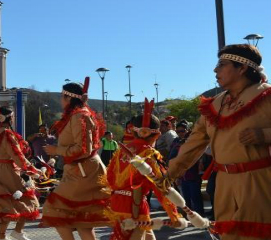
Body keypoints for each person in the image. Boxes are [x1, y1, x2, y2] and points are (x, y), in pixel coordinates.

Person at [168, 44, 271, 239]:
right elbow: (194, 142)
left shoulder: (266, 96)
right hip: (223, 183)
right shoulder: (215, 104)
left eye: (222, 64)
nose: (216, 69)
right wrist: (169, 173)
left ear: (242, 68)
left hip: (258, 181)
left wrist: (265, 135)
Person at [42, 78, 110, 240]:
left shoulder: (79, 116)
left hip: (83, 171)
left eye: (61, 96)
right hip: (81, 169)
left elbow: (82, 149)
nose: (60, 99)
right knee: (82, 220)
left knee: (53, 207)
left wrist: (56, 150)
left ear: (69, 98)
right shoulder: (79, 114)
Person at [107, 99, 181, 240]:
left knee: (148, 235)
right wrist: (174, 215)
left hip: (117, 202)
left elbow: (109, 178)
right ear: (156, 135)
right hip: (135, 205)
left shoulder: (120, 151)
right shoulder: (149, 153)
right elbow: (161, 187)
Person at [0, 106, 40, 240]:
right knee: (28, 200)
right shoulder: (7, 133)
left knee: (6, 204)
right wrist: (31, 169)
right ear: (8, 118)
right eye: (12, 117)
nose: (13, 119)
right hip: (8, 171)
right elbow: (17, 154)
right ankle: (17, 232)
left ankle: (1, 235)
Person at [169, 121, 205, 216]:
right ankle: (189, 216)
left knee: (195, 196)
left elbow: (200, 152)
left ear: (187, 130)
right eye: (178, 131)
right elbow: (172, 158)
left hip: (193, 174)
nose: (181, 133)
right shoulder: (176, 143)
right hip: (182, 175)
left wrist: (201, 161)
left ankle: (200, 216)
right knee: (186, 198)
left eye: (182, 131)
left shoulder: (193, 141)